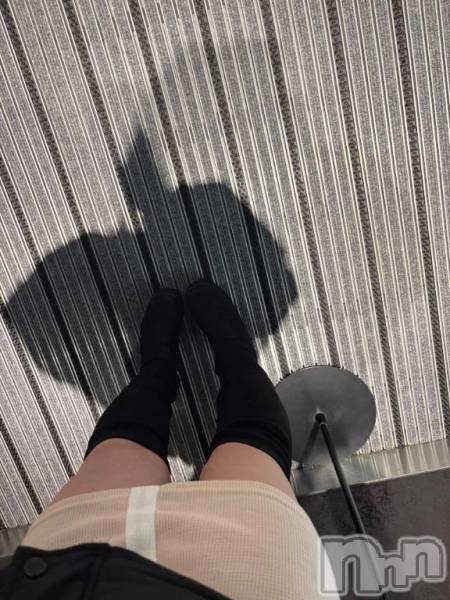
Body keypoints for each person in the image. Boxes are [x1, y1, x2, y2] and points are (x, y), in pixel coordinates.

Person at [0, 279, 338, 600]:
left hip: (77, 573)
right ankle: (234, 352)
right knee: (254, 442)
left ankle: (158, 366)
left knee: (123, 445)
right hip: (256, 578)